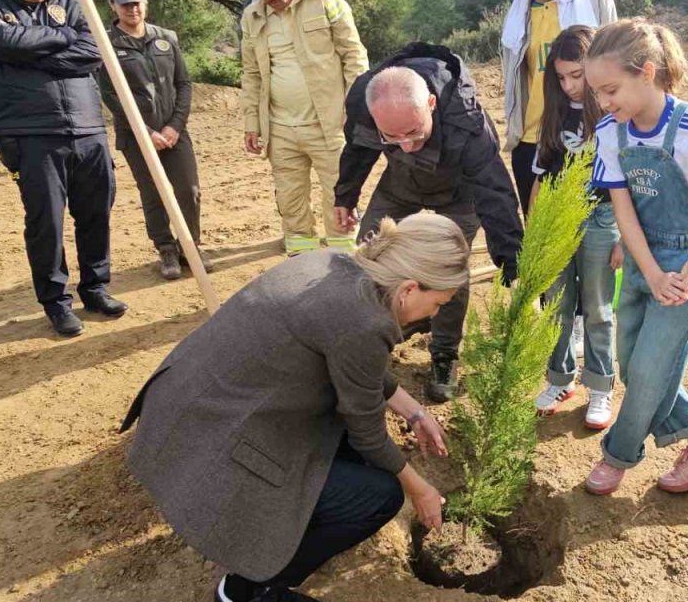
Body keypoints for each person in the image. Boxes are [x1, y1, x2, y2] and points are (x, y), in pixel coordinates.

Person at [120, 214, 464, 602]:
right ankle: (247, 589)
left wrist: (413, 411)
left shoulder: (335, 264)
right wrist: (421, 491)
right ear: (409, 288)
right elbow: (368, 430)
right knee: (381, 495)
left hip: (192, 405)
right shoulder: (366, 321)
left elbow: (352, 363)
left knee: (352, 454)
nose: (435, 315)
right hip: (219, 438)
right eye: (437, 303)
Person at [582, 19, 688, 496]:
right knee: (634, 367)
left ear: (648, 72)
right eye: (597, 93)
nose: (604, 103)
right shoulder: (611, 135)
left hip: (685, 267)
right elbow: (624, 211)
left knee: (652, 370)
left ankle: (617, 457)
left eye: (610, 89)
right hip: (639, 259)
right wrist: (646, 269)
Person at [335, 43, 524, 403]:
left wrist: (511, 261)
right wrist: (345, 195)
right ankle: (373, 340)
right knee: (369, 257)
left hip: (458, 192)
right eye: (392, 137)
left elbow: (494, 192)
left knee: (448, 270)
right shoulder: (365, 99)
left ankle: (444, 354)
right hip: (400, 185)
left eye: (413, 133)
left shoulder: (466, 121)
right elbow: (358, 149)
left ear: (432, 106)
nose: (405, 145)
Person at [0, 0, 126, 337]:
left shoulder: (69, 0)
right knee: (46, 222)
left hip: (87, 127)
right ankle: (56, 302)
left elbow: (94, 50)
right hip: (29, 132)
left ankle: (96, 288)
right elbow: (0, 41)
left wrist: (31, 52)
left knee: (96, 212)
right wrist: (65, 36)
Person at [528, 26, 620, 431]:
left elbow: (627, 183)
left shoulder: (616, 116)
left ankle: (600, 386)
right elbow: (540, 176)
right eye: (561, 77)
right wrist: (536, 230)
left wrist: (625, 242)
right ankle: (559, 379)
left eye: (576, 76)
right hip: (557, 221)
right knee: (557, 309)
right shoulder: (555, 113)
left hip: (602, 221)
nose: (568, 86)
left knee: (598, 309)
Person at [241, 0, 367, 256]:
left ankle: (342, 265)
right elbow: (251, 74)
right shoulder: (251, 17)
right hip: (280, 129)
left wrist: (356, 106)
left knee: (339, 198)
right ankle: (300, 267)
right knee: (291, 203)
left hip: (331, 124)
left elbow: (354, 55)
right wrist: (252, 122)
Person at [98, 0, 210, 281]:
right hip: (137, 137)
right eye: (124, 5)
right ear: (111, 5)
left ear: (145, 2)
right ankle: (166, 250)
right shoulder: (107, 46)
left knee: (189, 190)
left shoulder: (166, 37)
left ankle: (190, 247)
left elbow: (183, 84)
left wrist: (175, 126)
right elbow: (111, 96)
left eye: (136, 3)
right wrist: (145, 132)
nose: (132, 10)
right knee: (153, 194)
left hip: (175, 132)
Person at [501, 0, 616, 218]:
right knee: (542, 234)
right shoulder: (517, 12)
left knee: (593, 235)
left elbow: (614, 66)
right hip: (533, 139)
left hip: (585, 137)